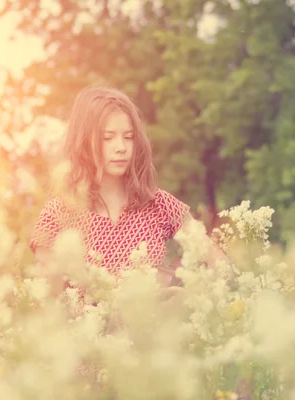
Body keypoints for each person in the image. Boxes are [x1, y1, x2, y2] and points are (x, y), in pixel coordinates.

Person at [29, 85, 227, 296]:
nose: (121, 147)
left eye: (128, 137)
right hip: (90, 327)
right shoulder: (58, 214)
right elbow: (48, 307)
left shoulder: (159, 204)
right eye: (108, 137)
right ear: (85, 141)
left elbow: (219, 264)